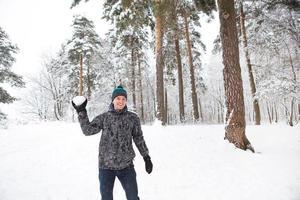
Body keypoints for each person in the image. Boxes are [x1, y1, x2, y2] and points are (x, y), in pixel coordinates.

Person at [71, 85, 153, 200]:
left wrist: (146, 157)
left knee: (133, 197)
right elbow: (88, 130)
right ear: (113, 100)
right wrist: (81, 112)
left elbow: (138, 138)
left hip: (126, 166)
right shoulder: (104, 117)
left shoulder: (133, 118)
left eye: (123, 99)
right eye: (118, 98)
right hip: (106, 167)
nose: (120, 101)